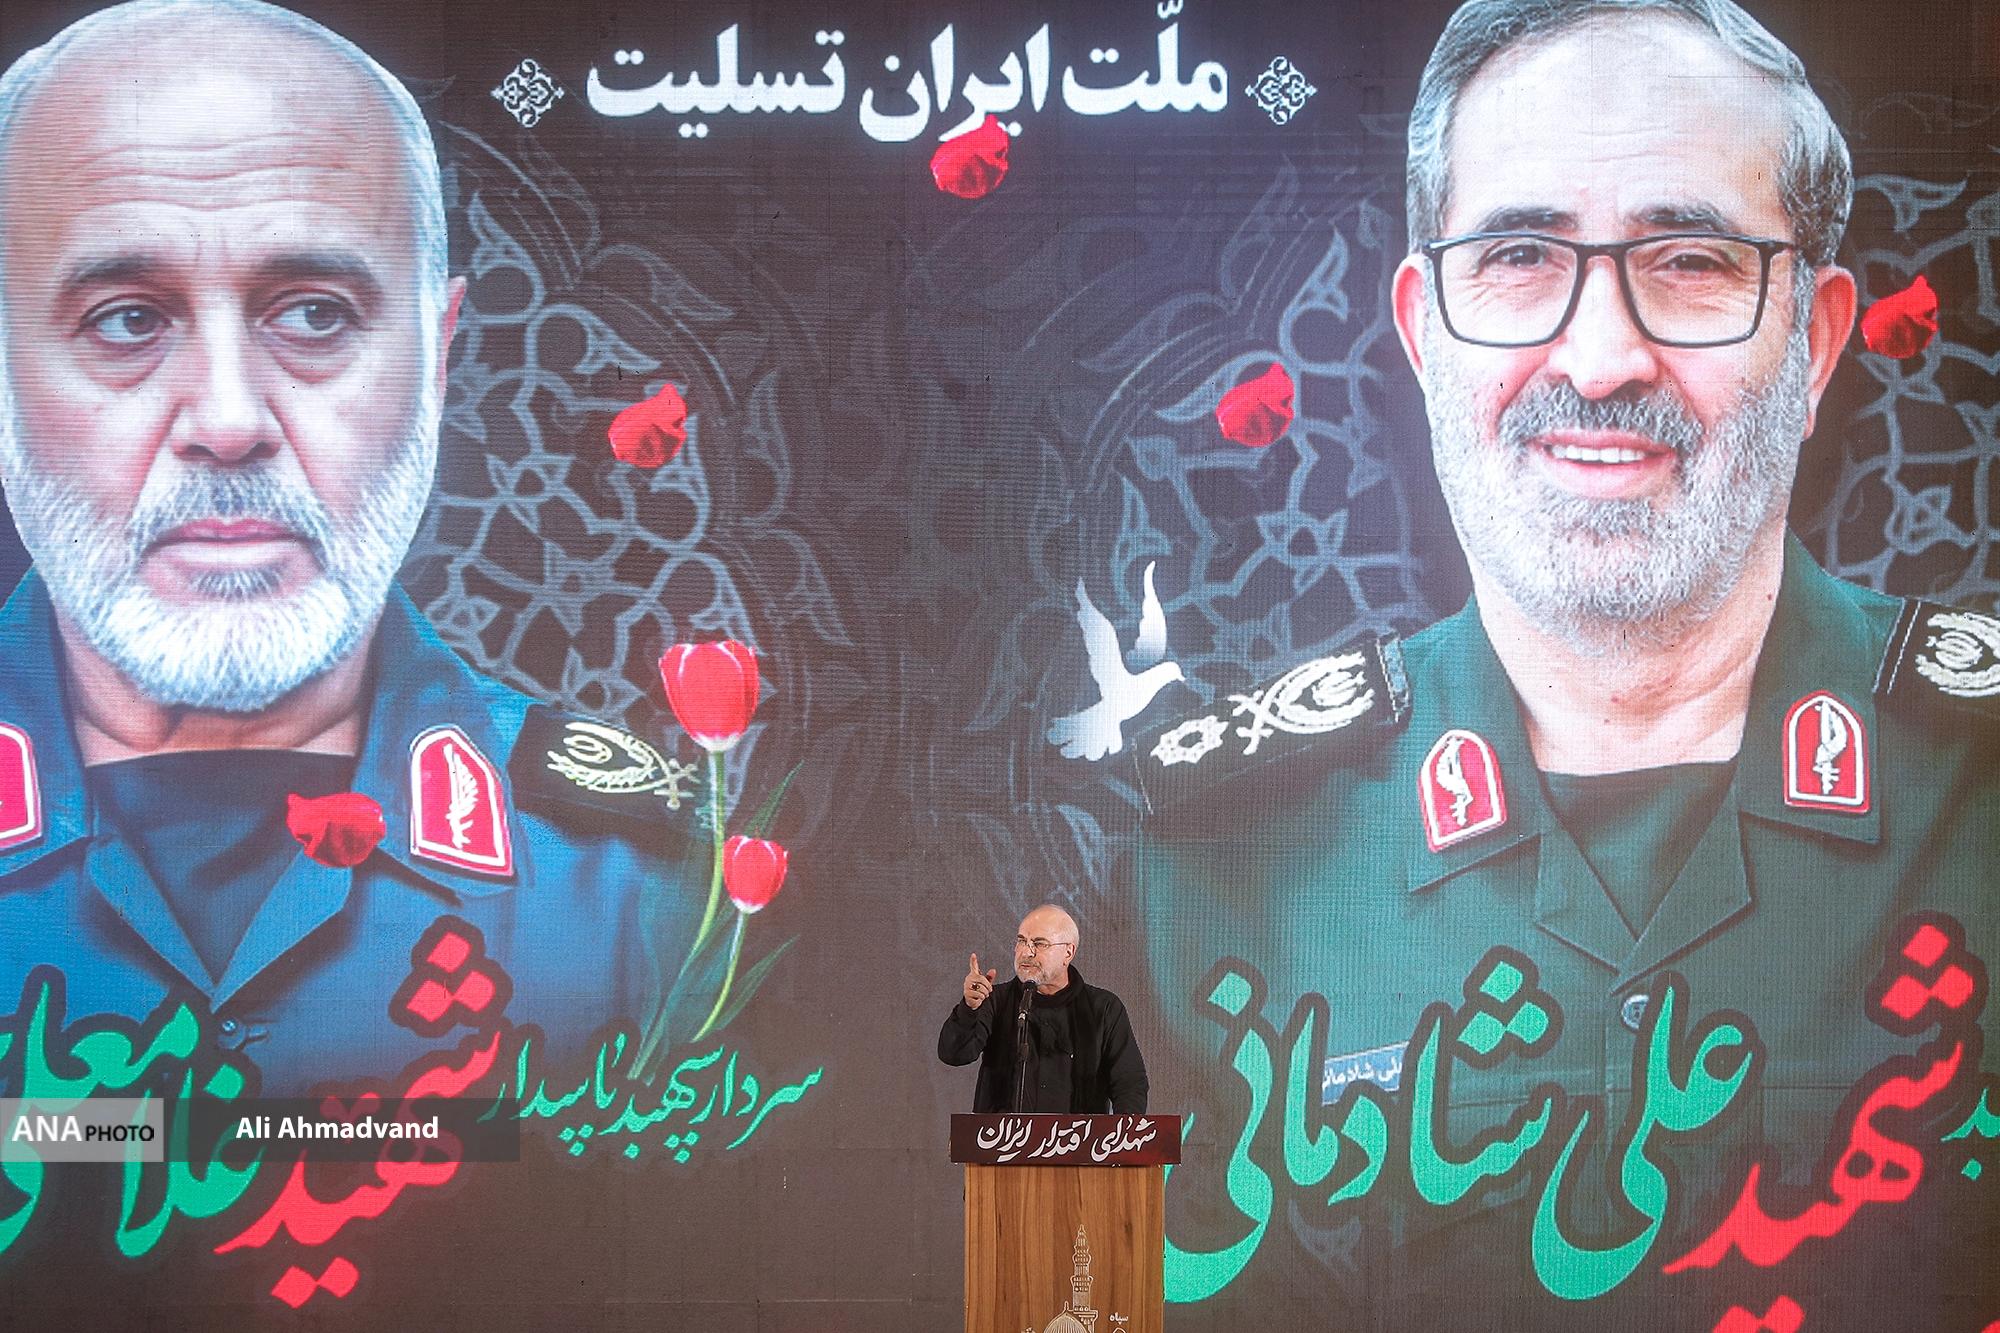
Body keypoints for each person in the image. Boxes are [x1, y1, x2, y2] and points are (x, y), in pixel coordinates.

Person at [1132, 0, 1998, 1315]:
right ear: (1423, 332)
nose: (1598, 362)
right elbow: (1059, 1287)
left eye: (1691, 260)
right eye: (1520, 255)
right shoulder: (1191, 867)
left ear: (1816, 342)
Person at [0, 0, 692, 1094]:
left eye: (315, 315)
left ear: (439, 359)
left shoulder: (642, 891)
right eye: (126, 319)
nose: (229, 420)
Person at [939, 905, 1149, 1114]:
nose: (1026, 952)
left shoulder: (1103, 1008)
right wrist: (969, 1009)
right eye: (1022, 941)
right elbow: (954, 1054)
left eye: (1039, 944)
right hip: (1003, 1135)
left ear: (1068, 952)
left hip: (1077, 1135)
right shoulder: (996, 1000)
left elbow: (1130, 1083)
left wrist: (1123, 1132)